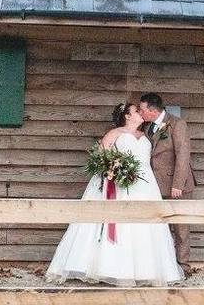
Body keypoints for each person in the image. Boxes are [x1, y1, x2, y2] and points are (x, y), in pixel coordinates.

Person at [46, 102, 183, 286]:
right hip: (120, 185)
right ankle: (110, 268)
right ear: (127, 116)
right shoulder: (115, 133)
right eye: (137, 111)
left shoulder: (147, 135)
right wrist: (117, 169)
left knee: (146, 224)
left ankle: (146, 270)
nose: (141, 113)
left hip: (146, 186)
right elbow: (101, 158)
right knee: (118, 223)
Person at [137, 92, 195, 274]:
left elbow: (183, 155)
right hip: (154, 186)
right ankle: (167, 267)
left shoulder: (177, 124)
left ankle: (183, 267)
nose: (140, 112)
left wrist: (177, 184)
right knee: (160, 228)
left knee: (180, 228)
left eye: (142, 109)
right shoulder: (147, 127)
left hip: (176, 185)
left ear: (152, 110)